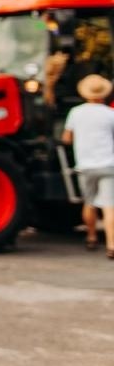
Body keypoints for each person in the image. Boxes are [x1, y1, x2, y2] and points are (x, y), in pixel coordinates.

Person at [63, 73, 114, 257]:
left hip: (85, 164)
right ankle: (111, 244)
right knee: (109, 206)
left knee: (89, 203)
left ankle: (91, 236)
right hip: (109, 164)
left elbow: (66, 138)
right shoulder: (110, 114)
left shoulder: (76, 113)